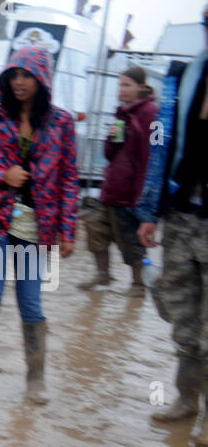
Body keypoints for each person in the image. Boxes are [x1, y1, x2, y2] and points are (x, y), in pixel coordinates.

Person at [0, 46, 78, 406]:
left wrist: (68, 231)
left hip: (37, 231)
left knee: (32, 305)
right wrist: (1, 175)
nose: (20, 82)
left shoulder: (62, 123)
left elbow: (69, 178)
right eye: (14, 75)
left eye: (27, 75)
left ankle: (35, 381)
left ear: (43, 79)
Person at [136, 4, 208, 447]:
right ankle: (187, 401)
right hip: (182, 215)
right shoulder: (183, 78)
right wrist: (149, 211)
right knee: (181, 315)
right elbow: (161, 144)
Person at [81, 66, 157, 295]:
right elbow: (110, 154)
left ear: (140, 88)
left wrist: (143, 197)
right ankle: (103, 274)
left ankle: (138, 285)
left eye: (127, 85)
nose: (121, 90)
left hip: (131, 193)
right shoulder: (122, 113)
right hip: (112, 189)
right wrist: (112, 139)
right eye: (120, 84)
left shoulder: (150, 113)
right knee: (94, 226)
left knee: (130, 240)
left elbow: (151, 157)